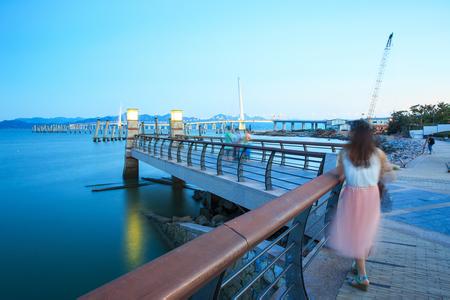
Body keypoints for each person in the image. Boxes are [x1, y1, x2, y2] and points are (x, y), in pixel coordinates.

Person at [328, 120, 393, 291]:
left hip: (353, 195)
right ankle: (360, 265)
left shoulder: (346, 152)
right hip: (371, 195)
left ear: (353, 134)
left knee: (356, 234)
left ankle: (362, 277)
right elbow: (388, 174)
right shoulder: (378, 153)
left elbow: (339, 174)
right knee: (366, 231)